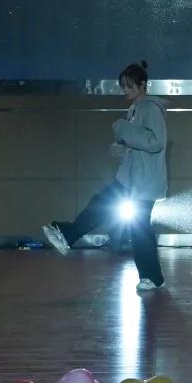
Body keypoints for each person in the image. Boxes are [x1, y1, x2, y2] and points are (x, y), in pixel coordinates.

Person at [43, 61, 168, 293]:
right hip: (131, 179)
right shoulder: (136, 109)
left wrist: (124, 130)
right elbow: (141, 143)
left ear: (143, 85)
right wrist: (122, 148)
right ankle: (67, 235)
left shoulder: (150, 108)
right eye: (124, 86)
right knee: (103, 205)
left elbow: (155, 142)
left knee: (138, 229)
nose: (126, 90)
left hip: (143, 183)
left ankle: (152, 277)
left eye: (130, 86)